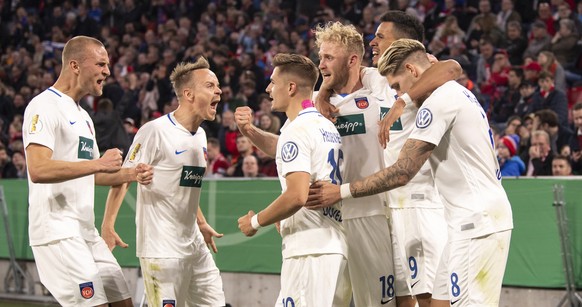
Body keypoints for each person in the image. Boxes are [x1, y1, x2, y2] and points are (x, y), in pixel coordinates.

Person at [307, 39, 514, 307]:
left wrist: (341, 191)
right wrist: (323, 91)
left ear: (412, 71)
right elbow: (447, 67)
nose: (396, 94)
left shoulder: (437, 103)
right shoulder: (455, 92)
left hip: (477, 223)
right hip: (462, 223)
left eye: (396, 86)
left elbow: (402, 172)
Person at [315, 13, 460, 307]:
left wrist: (401, 101)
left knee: (430, 296)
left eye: (380, 36)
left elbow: (452, 68)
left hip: (420, 199)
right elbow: (345, 71)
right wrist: (322, 92)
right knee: (401, 296)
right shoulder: (376, 76)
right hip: (388, 207)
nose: (373, 41)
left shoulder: (421, 69)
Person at [21, 36, 152, 307]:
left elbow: (93, 173)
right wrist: (98, 163)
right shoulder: (43, 106)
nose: (107, 71)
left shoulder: (84, 116)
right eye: (101, 64)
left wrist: (131, 174)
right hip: (57, 231)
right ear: (75, 65)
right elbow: (38, 168)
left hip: (85, 230)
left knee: (123, 302)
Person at [101, 57, 226, 307]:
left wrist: (201, 222)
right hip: (161, 247)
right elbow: (124, 177)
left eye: (218, 85)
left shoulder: (201, 135)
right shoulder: (154, 131)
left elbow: (185, 184)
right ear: (188, 94)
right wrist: (108, 225)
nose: (219, 91)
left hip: (194, 244)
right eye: (211, 86)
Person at [235, 53, 350, 307]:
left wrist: (255, 222)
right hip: (334, 246)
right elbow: (285, 149)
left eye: (273, 82)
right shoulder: (323, 126)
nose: (268, 88)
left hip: (309, 251)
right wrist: (250, 131)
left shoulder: (296, 131)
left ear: (290, 87)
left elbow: (297, 195)